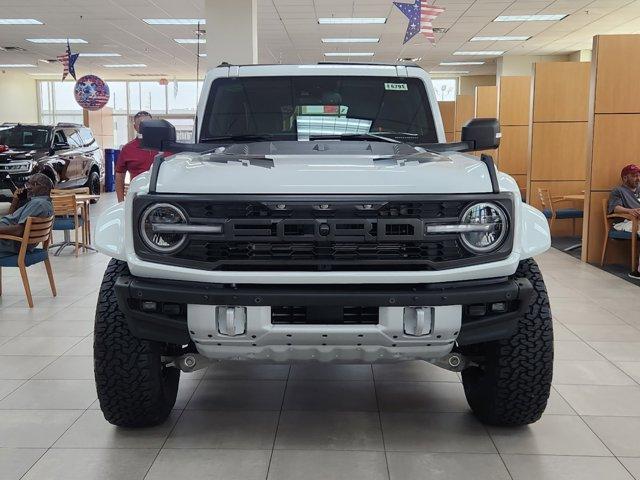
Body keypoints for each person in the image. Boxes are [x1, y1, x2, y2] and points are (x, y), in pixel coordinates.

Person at [0, 173, 53, 257]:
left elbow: (19, 230)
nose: (28, 187)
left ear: (45, 188)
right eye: (28, 183)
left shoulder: (37, 204)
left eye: (34, 184)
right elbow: (12, 217)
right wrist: (16, 199)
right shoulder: (42, 203)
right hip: (9, 240)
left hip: (9, 242)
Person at [115, 111, 159, 202]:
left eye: (148, 124)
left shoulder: (163, 146)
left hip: (161, 196)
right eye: (141, 124)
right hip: (137, 197)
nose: (146, 127)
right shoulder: (127, 149)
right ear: (135, 127)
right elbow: (120, 175)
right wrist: (120, 201)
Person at [608, 164, 640, 279]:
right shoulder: (618, 191)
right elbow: (615, 208)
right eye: (634, 176)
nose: (638, 178)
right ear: (625, 178)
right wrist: (630, 211)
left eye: (638, 175)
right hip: (624, 222)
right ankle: (638, 270)